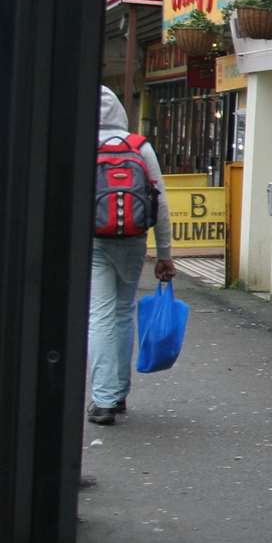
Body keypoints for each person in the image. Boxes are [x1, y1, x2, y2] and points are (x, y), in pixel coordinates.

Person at [88, 86, 174, 425]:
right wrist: (165, 254)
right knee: (123, 312)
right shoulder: (140, 146)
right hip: (133, 240)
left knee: (99, 315)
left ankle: (103, 399)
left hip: (93, 241)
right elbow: (161, 203)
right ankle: (118, 393)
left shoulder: (83, 142)